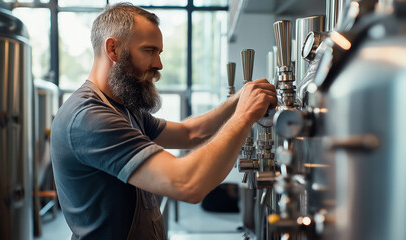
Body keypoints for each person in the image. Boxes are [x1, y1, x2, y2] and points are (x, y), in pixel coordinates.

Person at [51, 3, 277, 240]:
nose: (159, 64)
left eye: (159, 52)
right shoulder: (89, 117)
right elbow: (188, 184)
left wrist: (238, 100)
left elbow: (190, 133)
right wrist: (244, 116)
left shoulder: (123, 107)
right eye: (149, 50)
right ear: (113, 49)